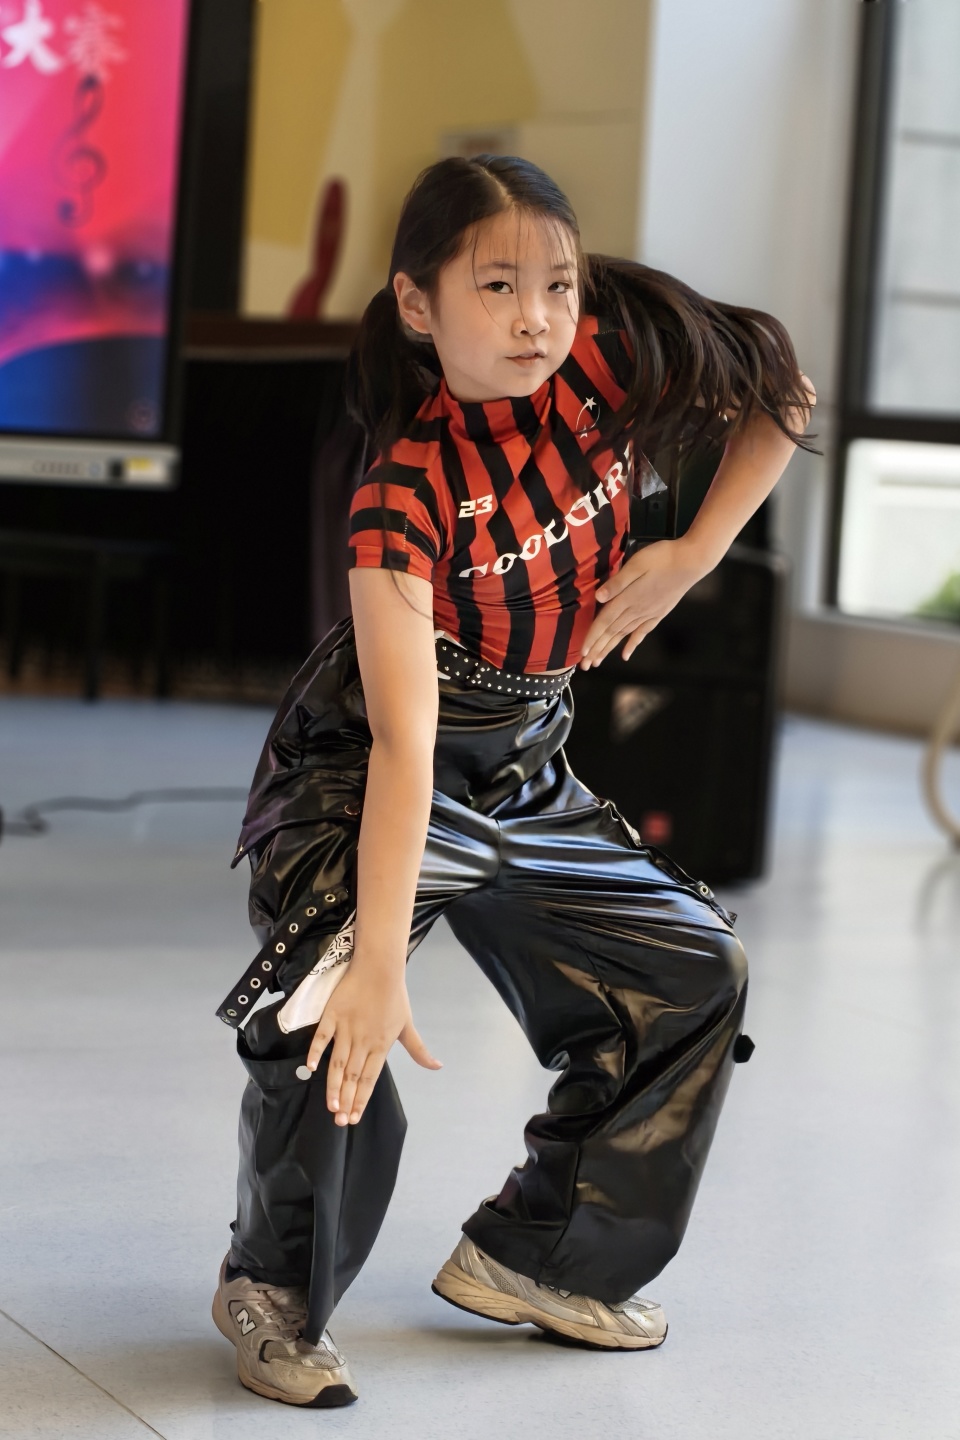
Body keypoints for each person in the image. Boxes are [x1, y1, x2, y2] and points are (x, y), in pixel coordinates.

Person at [210, 154, 815, 1408]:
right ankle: (272, 1290)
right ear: (417, 303)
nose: (537, 316)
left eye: (558, 283)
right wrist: (378, 962)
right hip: (370, 768)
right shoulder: (401, 497)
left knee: (695, 969)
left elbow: (781, 390)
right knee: (334, 1007)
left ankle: (543, 1254)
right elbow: (404, 751)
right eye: (498, 286)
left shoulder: (608, 361)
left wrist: (692, 552)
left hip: (528, 757)